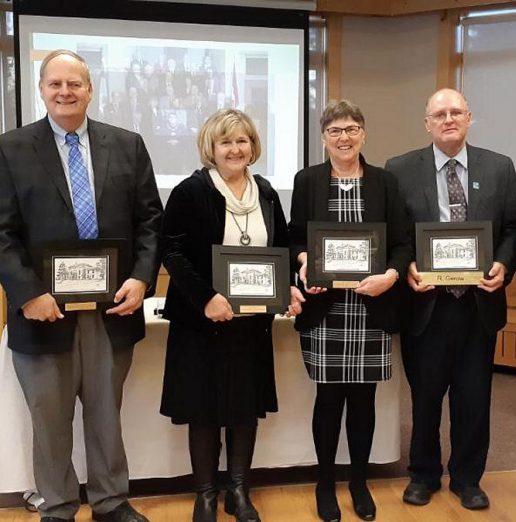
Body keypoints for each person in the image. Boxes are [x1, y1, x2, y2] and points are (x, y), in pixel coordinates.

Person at [0, 50, 162, 522]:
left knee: (105, 416)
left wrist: (141, 278)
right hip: (41, 310)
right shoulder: (10, 148)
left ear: (90, 90)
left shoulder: (128, 145)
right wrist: (28, 293)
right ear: (42, 89)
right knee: (49, 420)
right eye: (55, 84)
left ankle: (111, 501)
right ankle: (58, 505)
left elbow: (151, 221)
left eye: (74, 84)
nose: (65, 92)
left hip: (112, 310)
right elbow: (2, 233)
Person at [385, 88, 516, 511]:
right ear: (427, 123)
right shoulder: (400, 169)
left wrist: (503, 265)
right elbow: (396, 236)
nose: (448, 119)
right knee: (425, 398)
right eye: (439, 114)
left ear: (469, 118)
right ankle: (423, 475)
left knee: (474, 397)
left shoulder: (499, 168)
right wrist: (405, 267)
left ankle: (467, 479)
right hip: (425, 305)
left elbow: (514, 231)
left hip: (478, 304)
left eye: (456, 112)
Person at [160, 108, 297, 522]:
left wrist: (287, 284)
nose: (234, 149)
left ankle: (238, 491)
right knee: (203, 409)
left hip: (251, 324)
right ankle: (205, 495)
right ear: (211, 148)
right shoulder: (189, 192)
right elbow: (173, 251)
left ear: (252, 146)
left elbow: (283, 248)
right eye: (225, 142)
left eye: (242, 140)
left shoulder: (268, 193)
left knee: (243, 406)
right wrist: (206, 298)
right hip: (202, 323)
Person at [288, 100, 411, 522]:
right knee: (327, 399)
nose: (344, 137)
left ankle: (358, 482)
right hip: (326, 309)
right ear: (323, 137)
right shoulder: (307, 181)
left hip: (371, 307)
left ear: (363, 134)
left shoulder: (384, 183)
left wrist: (391, 277)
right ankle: (326, 483)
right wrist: (305, 261)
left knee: (363, 401)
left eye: (352, 128)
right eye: (335, 130)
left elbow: (402, 243)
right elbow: (292, 239)